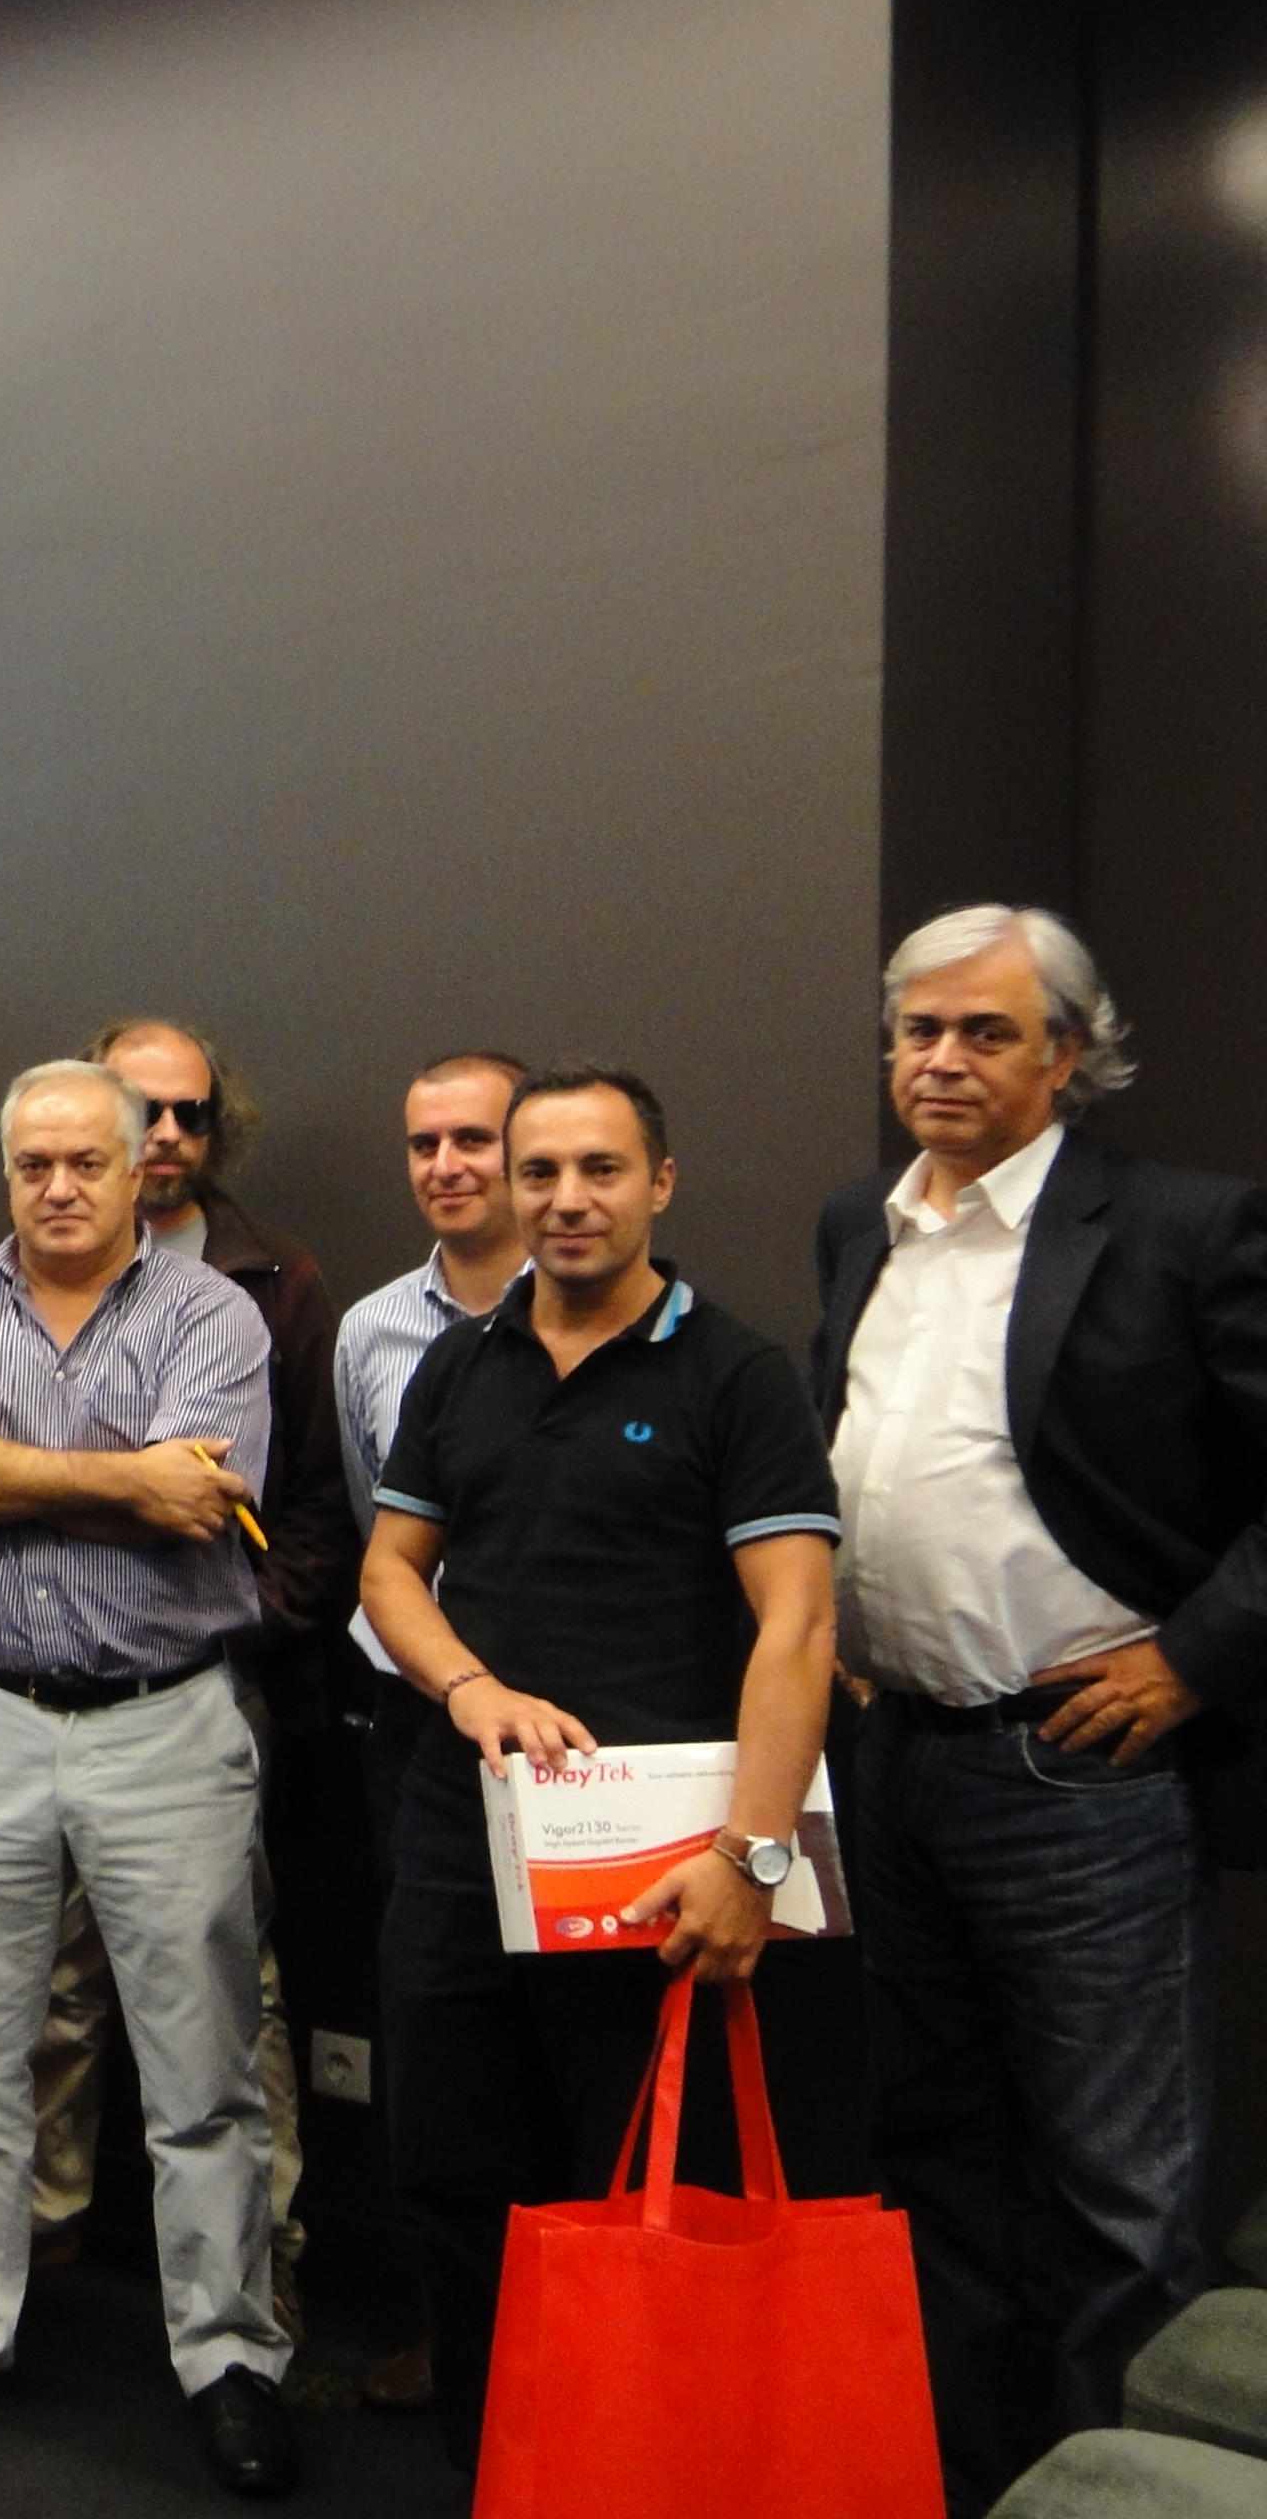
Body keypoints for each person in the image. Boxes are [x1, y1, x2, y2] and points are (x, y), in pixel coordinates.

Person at [809, 906, 1267, 2513]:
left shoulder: (1183, 1228)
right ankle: (974, 2483)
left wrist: (1192, 1659)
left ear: (1068, 1054)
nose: (942, 1060)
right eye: (919, 1030)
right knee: (936, 2164)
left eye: (987, 1032)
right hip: (899, 1765)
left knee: (1112, 2204)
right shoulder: (858, 1224)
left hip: (1082, 1780)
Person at [360, 1063, 839, 2475]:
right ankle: (498, 2468)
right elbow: (391, 1571)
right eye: (541, 1173)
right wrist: (471, 1687)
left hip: (662, 1862)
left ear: (660, 1184)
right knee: (452, 2175)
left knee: (641, 2191)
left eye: (601, 1170)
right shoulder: (460, 1364)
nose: (567, 1200)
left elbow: (798, 1628)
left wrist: (755, 1856)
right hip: (466, 1834)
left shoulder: (737, 1374)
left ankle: (630, 2472)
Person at [0, 1060, 297, 2501]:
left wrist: (2, 1463)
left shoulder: (210, 1313)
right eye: (33, 1164)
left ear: (136, 1169)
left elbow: (200, 1502)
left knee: (204, 2076)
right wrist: (122, 1475)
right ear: (8, 1174)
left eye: (85, 1164)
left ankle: (229, 2358)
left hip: (164, 1726)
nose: (57, 1187)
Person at [23, 1018, 355, 2338]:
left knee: (227, 1991)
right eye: (139, 1108)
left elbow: (317, 1502)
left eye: (188, 1114)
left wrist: (237, 1624)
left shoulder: (274, 1278)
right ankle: (34, 2238)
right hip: (43, 1687)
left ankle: (255, 2265)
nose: (164, 1135)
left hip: (207, 1688)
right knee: (47, 1985)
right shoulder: (16, 1269)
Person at [324, 1046, 528, 2416]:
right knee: (435, 2042)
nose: (447, 1165)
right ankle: (456, 2338)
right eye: (424, 1143)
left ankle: (571, 2333)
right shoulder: (371, 1331)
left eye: (475, 1139)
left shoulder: (631, 1323)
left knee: (565, 2045)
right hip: (418, 1722)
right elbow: (378, 1536)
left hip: (575, 1738)